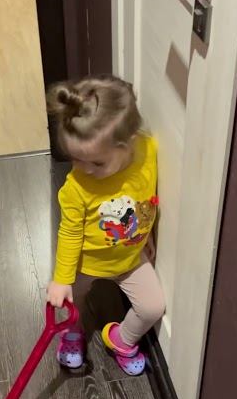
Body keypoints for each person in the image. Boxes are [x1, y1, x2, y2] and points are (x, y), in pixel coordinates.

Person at [45, 75, 165, 376]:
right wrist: (62, 279)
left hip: (129, 257)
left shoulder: (149, 151)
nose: (84, 169)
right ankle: (72, 332)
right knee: (71, 302)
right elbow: (70, 232)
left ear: (129, 143)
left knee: (153, 307)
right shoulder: (76, 187)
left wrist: (148, 232)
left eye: (96, 163)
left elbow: (146, 197)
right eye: (76, 159)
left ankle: (121, 340)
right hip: (86, 262)